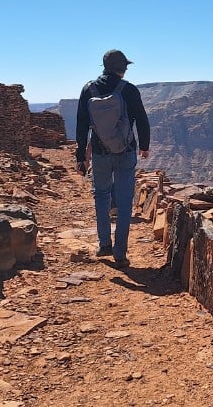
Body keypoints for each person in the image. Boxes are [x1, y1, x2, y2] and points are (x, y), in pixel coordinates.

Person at [75, 49, 150, 268]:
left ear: (105, 66)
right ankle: (120, 252)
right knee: (125, 201)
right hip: (125, 151)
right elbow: (142, 120)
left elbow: (81, 126)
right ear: (123, 68)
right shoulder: (128, 90)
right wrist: (144, 146)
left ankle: (104, 244)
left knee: (101, 196)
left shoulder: (89, 89)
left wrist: (81, 156)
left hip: (99, 152)